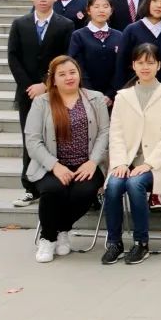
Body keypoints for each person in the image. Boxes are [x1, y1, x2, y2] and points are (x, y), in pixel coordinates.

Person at [102, 43, 161, 265]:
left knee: (134, 184)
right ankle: (114, 243)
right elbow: (116, 133)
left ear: (159, 65)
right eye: (140, 62)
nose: (145, 67)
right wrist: (120, 163)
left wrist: (149, 164)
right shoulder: (123, 96)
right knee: (113, 185)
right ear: (133, 65)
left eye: (150, 62)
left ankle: (141, 243)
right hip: (127, 161)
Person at [24, 55, 109, 262]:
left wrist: (93, 162)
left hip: (86, 164)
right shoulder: (41, 102)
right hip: (52, 165)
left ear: (79, 74)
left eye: (72, 72)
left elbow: (105, 133)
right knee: (53, 190)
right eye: (62, 74)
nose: (69, 77)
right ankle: (48, 238)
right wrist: (54, 166)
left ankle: (62, 228)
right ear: (53, 80)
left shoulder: (95, 98)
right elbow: (33, 140)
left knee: (85, 192)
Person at [8, 0, 73, 208]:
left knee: (57, 138)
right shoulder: (20, 24)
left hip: (56, 92)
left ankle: (55, 184)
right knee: (30, 138)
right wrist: (30, 86)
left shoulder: (65, 25)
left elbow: (66, 58)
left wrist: (45, 85)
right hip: (27, 94)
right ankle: (30, 187)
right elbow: (13, 57)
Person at [116, 0, 161, 93]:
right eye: (155, 0)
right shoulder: (131, 30)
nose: (159, 5)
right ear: (147, 2)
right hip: (136, 91)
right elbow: (121, 65)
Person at [68, 0, 123, 105]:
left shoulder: (119, 36)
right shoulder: (78, 36)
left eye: (105, 6)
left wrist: (110, 94)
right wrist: (91, 94)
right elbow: (77, 66)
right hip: (85, 95)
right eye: (96, 6)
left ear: (111, 10)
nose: (101, 10)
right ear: (88, 10)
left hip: (113, 97)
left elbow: (121, 66)